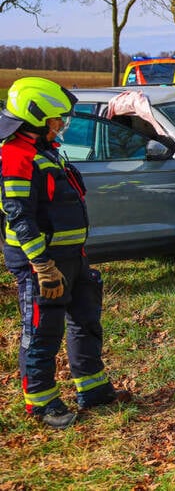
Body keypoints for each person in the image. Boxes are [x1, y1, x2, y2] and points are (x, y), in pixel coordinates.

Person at [0, 78, 129, 429]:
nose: (61, 125)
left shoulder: (44, 149)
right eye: (57, 119)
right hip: (42, 264)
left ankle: (93, 389)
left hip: (72, 257)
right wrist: (42, 265)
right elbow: (19, 214)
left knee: (86, 322)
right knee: (43, 331)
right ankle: (41, 403)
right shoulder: (16, 155)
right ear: (36, 117)